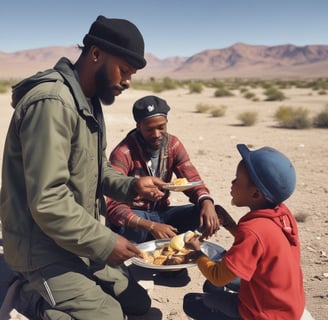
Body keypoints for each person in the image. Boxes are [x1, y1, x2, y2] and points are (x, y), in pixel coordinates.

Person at [0, 16, 166, 320]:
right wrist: (104, 241)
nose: (128, 81)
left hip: (74, 239)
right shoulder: (52, 103)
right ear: (96, 54)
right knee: (110, 316)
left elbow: (96, 168)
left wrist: (131, 186)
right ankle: (29, 298)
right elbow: (48, 200)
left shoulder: (88, 101)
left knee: (137, 304)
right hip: (39, 249)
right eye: (125, 70)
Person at [183, 144, 305, 320]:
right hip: (287, 305)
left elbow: (218, 277)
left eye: (237, 180)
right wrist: (231, 225)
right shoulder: (281, 214)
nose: (232, 183)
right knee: (211, 286)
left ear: (256, 194)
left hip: (263, 314)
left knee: (192, 301)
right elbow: (261, 246)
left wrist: (196, 253)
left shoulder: (253, 230)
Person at [106, 95, 220, 243]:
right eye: (149, 130)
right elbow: (113, 206)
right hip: (137, 218)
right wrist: (151, 226)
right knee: (119, 224)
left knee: (210, 212)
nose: (157, 135)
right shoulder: (123, 152)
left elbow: (192, 180)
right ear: (138, 126)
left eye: (161, 128)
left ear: (166, 122)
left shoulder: (173, 144)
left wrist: (206, 202)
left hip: (162, 213)